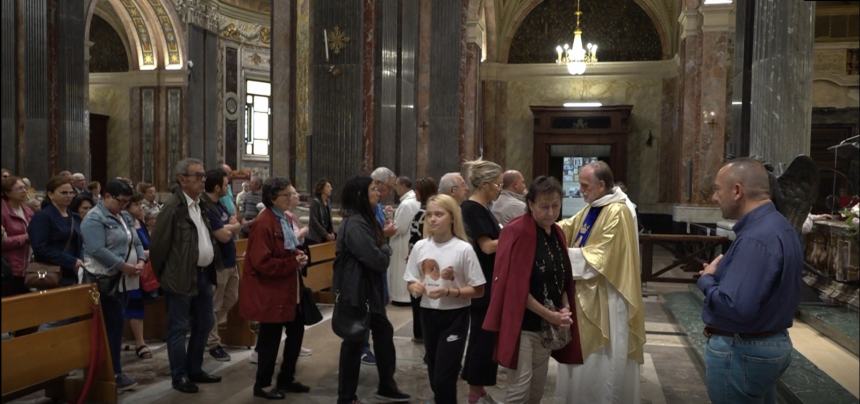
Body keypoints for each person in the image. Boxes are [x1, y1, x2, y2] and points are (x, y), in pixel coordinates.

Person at [697, 158, 802, 404]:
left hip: (742, 349)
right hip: (768, 341)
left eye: (717, 189)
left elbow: (736, 306)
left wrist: (707, 280)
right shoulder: (779, 226)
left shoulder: (756, 238)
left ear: (736, 191)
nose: (714, 197)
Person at [484, 176, 583, 403]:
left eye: (555, 206)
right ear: (530, 204)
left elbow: (563, 277)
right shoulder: (516, 231)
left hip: (546, 325)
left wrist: (565, 309)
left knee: (536, 390)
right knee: (519, 388)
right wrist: (551, 315)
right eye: (544, 206)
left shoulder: (557, 233)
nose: (550, 212)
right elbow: (514, 287)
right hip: (522, 323)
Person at [555, 161, 644, 404]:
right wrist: (543, 228)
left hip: (607, 295)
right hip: (585, 292)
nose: (581, 190)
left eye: (585, 186)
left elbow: (601, 257)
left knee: (603, 357)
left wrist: (558, 257)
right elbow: (569, 226)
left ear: (602, 185)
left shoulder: (618, 211)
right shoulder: (594, 207)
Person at [333, 176, 410, 404]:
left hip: (368, 291)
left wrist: (381, 245)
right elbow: (376, 259)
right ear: (360, 196)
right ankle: (346, 397)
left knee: (383, 334)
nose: (378, 193)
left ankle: (387, 384)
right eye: (372, 189)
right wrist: (385, 247)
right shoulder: (356, 223)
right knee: (354, 341)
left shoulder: (365, 219)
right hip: (357, 292)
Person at [150, 158, 222, 394]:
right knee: (179, 328)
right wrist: (166, 276)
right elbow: (159, 248)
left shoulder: (200, 204)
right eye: (198, 175)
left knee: (205, 322)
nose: (203, 179)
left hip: (202, 275)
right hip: (180, 277)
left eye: (203, 175)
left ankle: (195, 369)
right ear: (182, 179)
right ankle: (179, 375)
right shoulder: (173, 208)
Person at [405, 193, 486, 403]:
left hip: (455, 317)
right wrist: (416, 286)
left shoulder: (463, 249)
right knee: (434, 373)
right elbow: (410, 280)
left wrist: (451, 292)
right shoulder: (421, 247)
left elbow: (479, 290)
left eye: (439, 214)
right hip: (428, 314)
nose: (433, 219)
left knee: (444, 377)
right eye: (430, 214)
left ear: (452, 217)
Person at [240, 177, 312, 400]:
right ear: (273, 198)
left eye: (291, 194)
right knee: (270, 339)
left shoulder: (283, 218)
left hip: (289, 288)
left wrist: (296, 255)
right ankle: (262, 385)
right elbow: (262, 263)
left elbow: (285, 249)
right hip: (272, 291)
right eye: (286, 195)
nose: (291, 198)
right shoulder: (264, 222)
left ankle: (286, 378)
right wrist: (292, 262)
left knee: (296, 332)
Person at [81, 180, 145, 391]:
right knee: (111, 327)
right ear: (106, 196)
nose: (124, 206)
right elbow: (96, 249)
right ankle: (112, 372)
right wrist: (122, 265)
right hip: (105, 279)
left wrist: (141, 259)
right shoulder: (94, 218)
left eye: (127, 202)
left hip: (125, 279)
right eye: (121, 201)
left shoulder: (124, 216)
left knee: (118, 325)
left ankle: (115, 369)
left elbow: (135, 240)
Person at [459, 159, 503, 404]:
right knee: (482, 336)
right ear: (485, 185)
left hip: (490, 279)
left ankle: (478, 386)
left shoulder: (483, 208)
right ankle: (474, 390)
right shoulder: (472, 209)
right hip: (482, 281)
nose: (499, 188)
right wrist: (515, 235)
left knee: (486, 335)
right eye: (497, 184)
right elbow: (486, 247)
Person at [201, 168, 242, 363]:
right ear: (217, 187)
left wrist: (230, 227)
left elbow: (234, 223)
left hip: (230, 260)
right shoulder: (207, 206)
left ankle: (210, 328)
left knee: (232, 297)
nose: (228, 188)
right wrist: (231, 228)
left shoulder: (220, 206)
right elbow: (223, 235)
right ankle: (213, 343)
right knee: (215, 304)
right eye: (226, 185)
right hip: (217, 263)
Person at [28, 175, 83, 286]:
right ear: (51, 194)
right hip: (50, 273)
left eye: (71, 192)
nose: (69, 196)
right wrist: (70, 261)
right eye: (64, 193)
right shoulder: (43, 217)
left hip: (73, 273)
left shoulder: (74, 217)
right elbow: (40, 248)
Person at [120, 193, 153, 360]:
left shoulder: (139, 222)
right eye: (137, 205)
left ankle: (139, 341)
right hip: (128, 270)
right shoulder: (124, 222)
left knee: (137, 304)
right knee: (132, 305)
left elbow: (144, 243)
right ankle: (139, 343)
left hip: (141, 269)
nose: (141, 208)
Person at [407, 177, 438, 342]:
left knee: (418, 298)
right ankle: (419, 332)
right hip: (417, 257)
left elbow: (421, 238)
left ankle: (421, 333)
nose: (415, 193)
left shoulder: (425, 213)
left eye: (417, 190)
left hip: (421, 261)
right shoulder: (424, 211)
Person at [388, 176, 420, 305]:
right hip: (408, 241)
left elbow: (399, 228)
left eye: (396, 185)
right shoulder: (413, 201)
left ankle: (401, 298)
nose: (395, 188)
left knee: (400, 270)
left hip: (402, 242)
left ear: (402, 185)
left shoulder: (407, 203)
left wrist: (389, 224)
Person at [1, 176, 35, 297]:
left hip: (28, 267)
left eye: (25, 188)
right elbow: (3, 242)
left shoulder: (28, 211)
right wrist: (25, 237)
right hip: (8, 269)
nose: (24, 191)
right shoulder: (3, 212)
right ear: (7, 192)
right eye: (19, 188)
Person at [307, 178, 335, 245]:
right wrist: (325, 234)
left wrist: (331, 233)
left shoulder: (328, 202)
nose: (331, 189)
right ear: (322, 189)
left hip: (326, 237)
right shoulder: (315, 202)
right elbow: (314, 221)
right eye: (328, 186)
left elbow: (329, 220)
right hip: (316, 238)